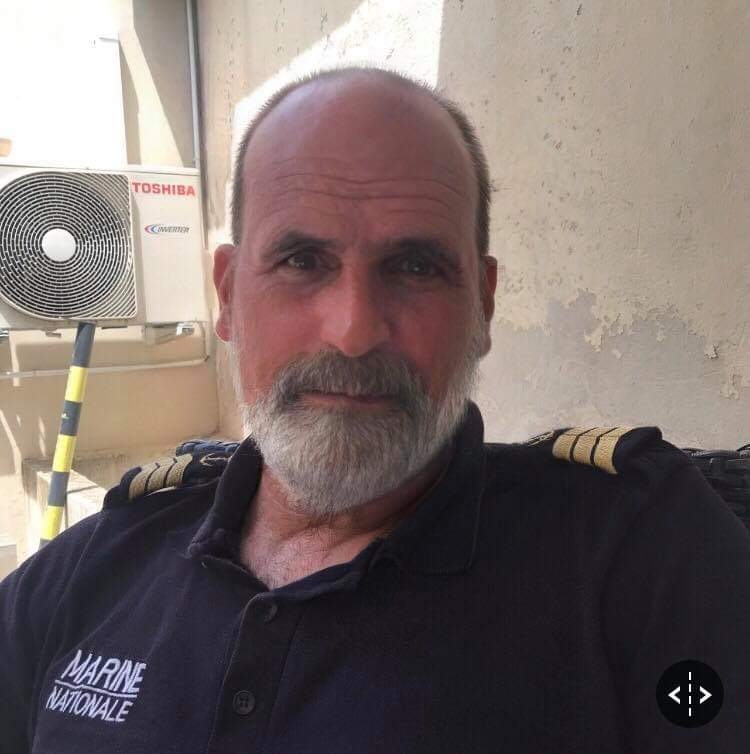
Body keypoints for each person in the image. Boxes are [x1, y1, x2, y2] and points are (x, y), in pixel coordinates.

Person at [1, 66, 749, 754]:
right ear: (227, 295)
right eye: (302, 261)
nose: (354, 331)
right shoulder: (93, 568)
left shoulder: (638, 554)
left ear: (484, 305)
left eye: (416, 266)